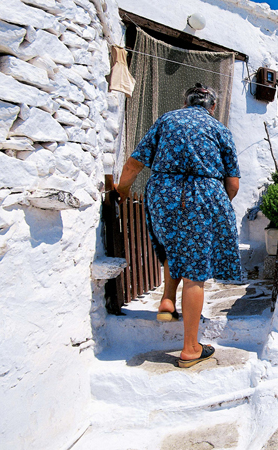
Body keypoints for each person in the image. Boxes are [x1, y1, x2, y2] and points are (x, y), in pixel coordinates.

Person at [115, 83, 241, 368]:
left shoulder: (167, 120)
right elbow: (232, 183)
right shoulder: (220, 130)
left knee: (174, 246)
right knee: (195, 272)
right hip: (203, 196)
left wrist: (122, 190)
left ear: (186, 103)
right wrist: (219, 201)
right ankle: (190, 349)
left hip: (163, 193)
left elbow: (134, 164)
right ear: (212, 106)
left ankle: (168, 301)